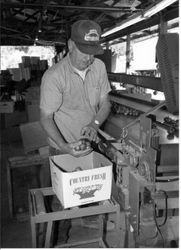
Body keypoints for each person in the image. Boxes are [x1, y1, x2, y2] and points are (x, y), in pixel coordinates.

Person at [40, 19, 113, 244]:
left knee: (90, 188)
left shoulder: (98, 67)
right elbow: (45, 117)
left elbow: (106, 103)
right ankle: (58, 241)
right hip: (63, 146)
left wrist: (94, 125)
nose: (89, 58)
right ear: (71, 45)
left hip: (89, 140)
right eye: (84, 52)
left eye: (93, 52)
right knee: (62, 199)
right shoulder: (54, 76)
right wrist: (63, 146)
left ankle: (88, 220)